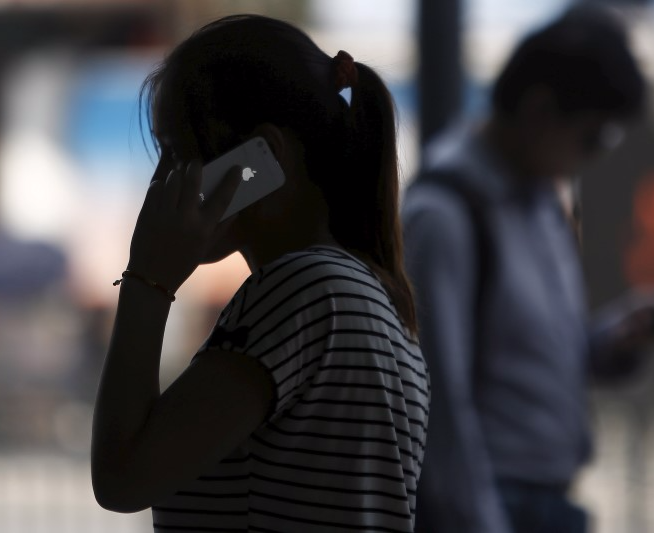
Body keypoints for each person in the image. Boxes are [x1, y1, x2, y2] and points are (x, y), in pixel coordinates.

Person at [91, 14, 429, 532]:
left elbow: (121, 479)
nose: (162, 183)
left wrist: (148, 281)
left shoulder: (303, 292)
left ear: (260, 160)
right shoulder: (364, 296)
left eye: (177, 152)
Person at [401, 6, 652, 533]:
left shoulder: (540, 201)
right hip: (493, 504)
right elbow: (439, 410)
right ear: (539, 109)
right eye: (592, 138)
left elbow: (529, 360)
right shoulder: (446, 215)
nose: (592, 157)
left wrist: (612, 340)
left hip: (543, 501)